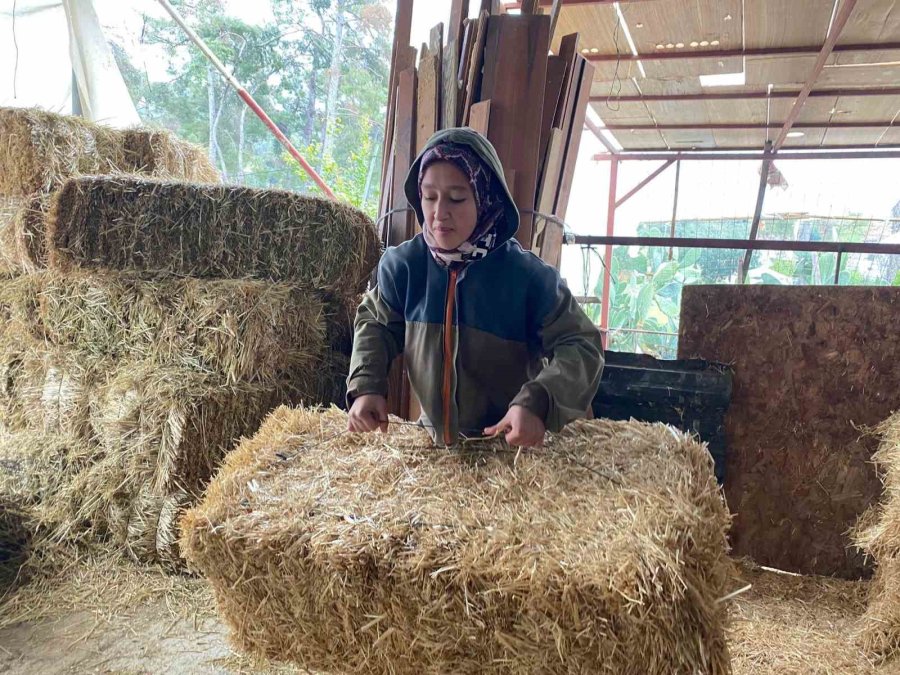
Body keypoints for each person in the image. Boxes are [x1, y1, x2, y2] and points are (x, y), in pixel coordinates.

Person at [346, 127, 603, 447]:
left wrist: (538, 402)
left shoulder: (528, 279)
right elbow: (376, 322)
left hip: (507, 448)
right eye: (429, 196)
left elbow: (582, 345)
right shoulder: (405, 267)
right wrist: (367, 385)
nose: (439, 213)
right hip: (435, 448)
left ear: (485, 198)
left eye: (456, 198)